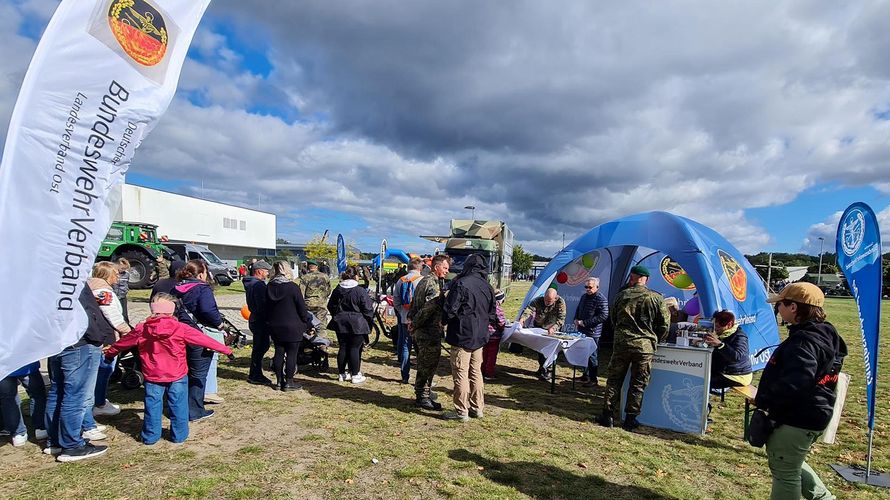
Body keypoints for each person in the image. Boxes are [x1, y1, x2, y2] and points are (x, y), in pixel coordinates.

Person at [103, 293, 233, 445]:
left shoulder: (142, 329)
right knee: (179, 404)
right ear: (172, 310)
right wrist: (226, 350)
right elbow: (203, 339)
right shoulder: (180, 328)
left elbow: (123, 343)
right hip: (177, 373)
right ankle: (179, 435)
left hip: (153, 374)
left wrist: (110, 354)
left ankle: (150, 436)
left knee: (152, 405)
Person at [758, 282, 846, 500]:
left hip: (797, 418)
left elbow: (797, 381)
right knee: (790, 461)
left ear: (794, 308)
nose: (778, 309)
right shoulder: (824, 333)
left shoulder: (804, 341)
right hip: (815, 413)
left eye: (781, 305)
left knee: (785, 472)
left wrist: (767, 399)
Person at [44, 286, 114, 462]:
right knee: (75, 395)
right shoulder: (72, 275)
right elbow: (87, 309)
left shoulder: (49, 278)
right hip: (79, 342)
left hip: (58, 341)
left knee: (57, 391)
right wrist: (97, 336)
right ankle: (72, 445)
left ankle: (55, 441)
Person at [598, 265, 670, 431]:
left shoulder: (621, 296)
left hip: (622, 344)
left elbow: (613, 319)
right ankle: (630, 419)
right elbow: (664, 325)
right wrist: (656, 339)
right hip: (644, 347)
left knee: (614, 380)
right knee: (638, 382)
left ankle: (607, 415)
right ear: (646, 279)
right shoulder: (656, 298)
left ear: (632, 277)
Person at [441, 254, 498, 422]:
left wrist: (442, 321)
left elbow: (450, 309)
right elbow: (492, 313)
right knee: (475, 372)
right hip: (480, 336)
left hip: (462, 335)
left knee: (460, 373)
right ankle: (477, 407)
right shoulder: (487, 287)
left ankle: (461, 411)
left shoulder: (461, 284)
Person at [172, 260, 227, 421]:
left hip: (179, 332)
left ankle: (179, 405)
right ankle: (195, 410)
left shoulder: (175, 289)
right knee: (199, 372)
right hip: (198, 334)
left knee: (183, 371)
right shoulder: (202, 289)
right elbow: (207, 309)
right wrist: (219, 323)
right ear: (201, 274)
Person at [86, 262, 132, 437]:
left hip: (99, 334)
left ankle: (98, 402)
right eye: (115, 274)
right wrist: (129, 331)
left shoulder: (92, 287)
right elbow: (112, 315)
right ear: (107, 274)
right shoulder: (103, 292)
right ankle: (96, 405)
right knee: (102, 371)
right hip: (105, 337)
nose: (118, 277)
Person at [407, 254, 451, 411]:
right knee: (427, 367)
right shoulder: (432, 284)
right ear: (437, 267)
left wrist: (411, 321)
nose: (447, 271)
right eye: (445, 268)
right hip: (428, 332)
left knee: (424, 365)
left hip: (422, 331)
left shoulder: (424, 280)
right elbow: (428, 309)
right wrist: (415, 323)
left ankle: (424, 394)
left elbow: (414, 304)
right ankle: (422, 397)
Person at [266, 261, 314, 391]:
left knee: (279, 352)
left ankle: (278, 381)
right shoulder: (292, 287)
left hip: (275, 325)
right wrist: (307, 322)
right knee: (292, 354)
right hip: (293, 325)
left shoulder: (269, 286)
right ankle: (289, 382)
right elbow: (301, 308)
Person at [327, 267, 374, 384]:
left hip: (340, 321)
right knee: (354, 348)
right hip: (357, 322)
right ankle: (355, 374)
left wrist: (337, 315)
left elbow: (330, 305)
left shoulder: (337, 289)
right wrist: (368, 320)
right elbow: (368, 308)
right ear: (356, 276)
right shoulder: (359, 290)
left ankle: (342, 374)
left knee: (343, 347)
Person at [518, 288, 566, 381]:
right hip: (539, 326)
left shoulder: (560, 302)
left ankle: (548, 371)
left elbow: (561, 319)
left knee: (550, 350)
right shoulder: (538, 300)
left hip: (552, 329)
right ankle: (541, 367)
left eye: (550, 301)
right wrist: (522, 319)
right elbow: (529, 309)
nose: (547, 302)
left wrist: (554, 327)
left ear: (555, 298)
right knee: (540, 349)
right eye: (546, 300)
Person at [392, 257, 424, 383]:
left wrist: (402, 312)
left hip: (405, 318)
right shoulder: (422, 280)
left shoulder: (401, 281)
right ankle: (421, 378)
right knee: (420, 349)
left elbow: (396, 301)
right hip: (419, 321)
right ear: (419, 268)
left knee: (406, 347)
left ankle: (405, 376)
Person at [702, 310, 752, 390]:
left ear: (729, 324)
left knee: (701, 382)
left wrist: (720, 345)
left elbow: (736, 357)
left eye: (718, 327)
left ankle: (704, 402)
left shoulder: (740, 337)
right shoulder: (722, 334)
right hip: (723, 370)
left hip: (737, 376)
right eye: (715, 325)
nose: (716, 329)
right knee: (697, 375)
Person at [1, 361, 46, 446]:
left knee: (8, 400)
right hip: (26, 363)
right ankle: (41, 427)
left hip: (3, 367)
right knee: (37, 394)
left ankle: (18, 434)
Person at [243, 260, 274, 386]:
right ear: (259, 271)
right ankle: (255, 374)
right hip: (260, 319)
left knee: (260, 347)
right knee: (260, 347)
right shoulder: (259, 285)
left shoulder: (251, 283)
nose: (268, 274)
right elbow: (262, 305)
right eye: (266, 271)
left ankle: (255, 373)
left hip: (255, 318)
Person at [574, 277, 609, 386]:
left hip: (593, 332)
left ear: (597, 287)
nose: (588, 289)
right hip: (582, 330)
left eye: (590, 287)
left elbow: (603, 316)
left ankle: (593, 379)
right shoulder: (584, 296)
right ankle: (585, 375)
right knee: (584, 354)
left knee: (592, 356)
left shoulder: (601, 299)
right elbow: (579, 309)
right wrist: (576, 319)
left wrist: (586, 322)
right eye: (586, 287)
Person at [481, 289, 507, 380]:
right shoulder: (497, 309)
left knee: (485, 353)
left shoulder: (485, 306)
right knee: (492, 355)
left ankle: (483, 370)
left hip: (485, 334)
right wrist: (503, 326)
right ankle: (489, 373)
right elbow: (500, 322)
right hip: (494, 335)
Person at [300, 260, 332, 332]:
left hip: (308, 304)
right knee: (321, 325)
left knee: (308, 325)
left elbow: (301, 293)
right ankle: (321, 341)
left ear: (308, 267)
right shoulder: (325, 276)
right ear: (317, 267)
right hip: (321, 304)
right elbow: (329, 290)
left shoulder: (305, 277)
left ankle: (310, 339)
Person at [113, 258, 131, 324]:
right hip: (114, 296)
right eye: (122, 268)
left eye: (125, 268)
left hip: (122, 296)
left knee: (124, 313)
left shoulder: (127, 274)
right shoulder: (113, 273)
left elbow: (127, 283)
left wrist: (126, 290)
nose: (123, 270)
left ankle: (126, 324)